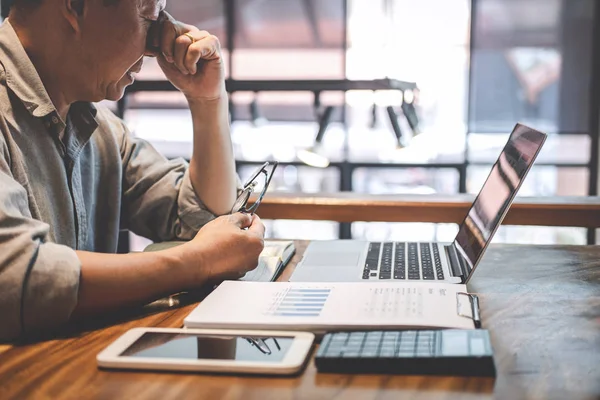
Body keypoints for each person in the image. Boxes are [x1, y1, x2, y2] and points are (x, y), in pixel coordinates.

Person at [0, 0, 266, 342]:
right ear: (75, 6)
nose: (158, 41)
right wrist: (197, 263)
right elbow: (17, 279)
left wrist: (207, 101)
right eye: (151, 15)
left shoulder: (97, 127)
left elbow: (203, 220)